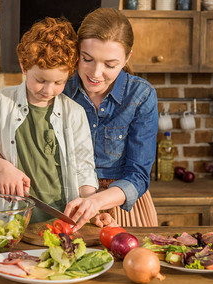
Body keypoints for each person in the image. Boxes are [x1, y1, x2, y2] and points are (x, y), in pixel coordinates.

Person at [0, 17, 98, 224]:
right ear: (24, 66)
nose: (48, 90)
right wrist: (3, 168)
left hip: (62, 219)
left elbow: (84, 169)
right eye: (40, 80)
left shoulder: (75, 113)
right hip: (8, 219)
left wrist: (89, 205)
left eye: (58, 82)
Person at [62, 7, 159, 230]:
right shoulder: (60, 88)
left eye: (110, 65)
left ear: (126, 59)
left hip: (122, 208)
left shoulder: (141, 95)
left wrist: (97, 200)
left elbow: (138, 176)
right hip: (69, 205)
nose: (96, 73)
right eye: (87, 59)